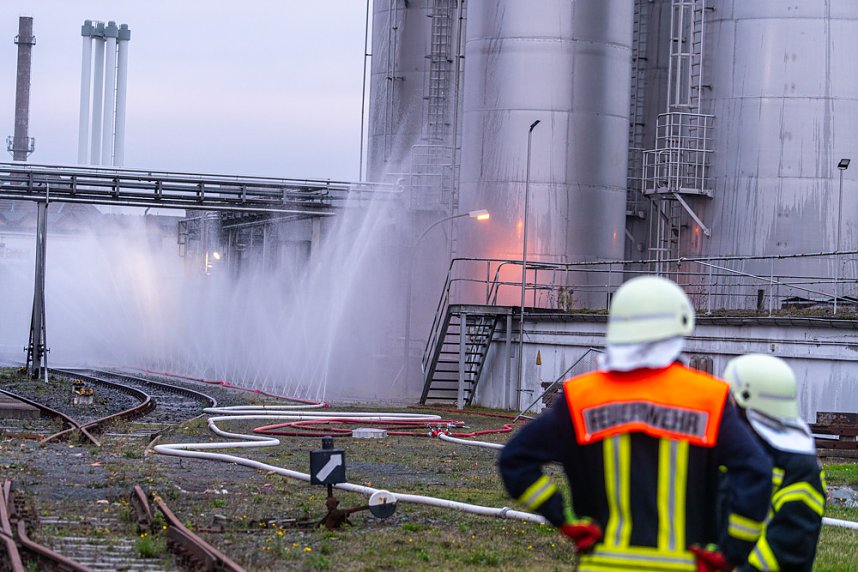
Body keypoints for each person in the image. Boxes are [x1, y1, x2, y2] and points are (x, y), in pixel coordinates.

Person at [498, 275, 773, 572]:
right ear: (679, 328)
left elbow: (515, 461)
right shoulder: (708, 397)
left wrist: (562, 519)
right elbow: (756, 473)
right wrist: (731, 552)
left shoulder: (582, 397)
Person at [721, 354, 826, 572]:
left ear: (747, 403)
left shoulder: (802, 470)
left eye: (731, 401)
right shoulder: (739, 451)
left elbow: (787, 550)